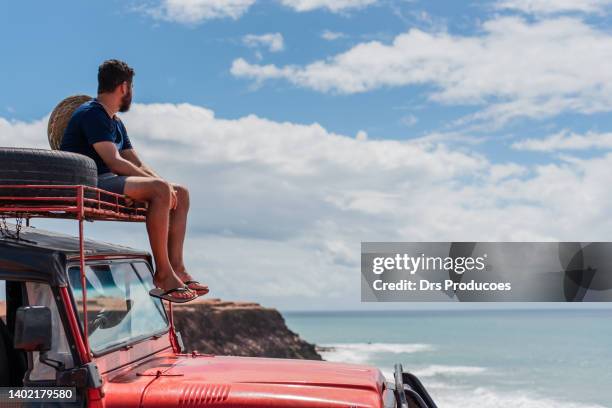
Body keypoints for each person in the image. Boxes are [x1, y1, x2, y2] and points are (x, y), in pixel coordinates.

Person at [60, 59, 208, 303]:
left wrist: (166, 186)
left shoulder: (115, 122)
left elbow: (136, 163)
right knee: (161, 190)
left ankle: (177, 268)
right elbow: (114, 161)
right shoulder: (92, 114)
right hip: (90, 181)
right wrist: (158, 188)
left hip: (110, 179)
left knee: (180, 192)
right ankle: (163, 273)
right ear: (124, 87)